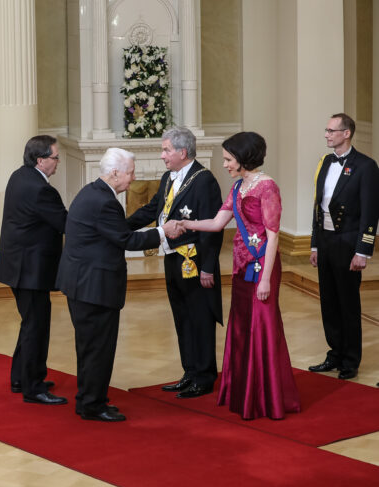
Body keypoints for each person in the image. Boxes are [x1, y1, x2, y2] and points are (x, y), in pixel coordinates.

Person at [56, 148, 183, 422]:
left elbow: (117, 231)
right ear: (115, 173)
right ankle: (92, 405)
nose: (133, 179)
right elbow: (127, 241)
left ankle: (90, 399)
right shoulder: (105, 202)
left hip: (82, 284)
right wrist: (163, 232)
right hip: (94, 288)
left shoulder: (92, 192)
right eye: (130, 173)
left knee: (90, 347)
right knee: (98, 348)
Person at [181, 132, 300, 420]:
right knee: (242, 328)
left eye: (228, 159)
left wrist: (265, 280)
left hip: (262, 268)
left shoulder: (267, 187)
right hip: (239, 268)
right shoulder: (238, 188)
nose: (225, 164)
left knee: (262, 327)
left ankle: (267, 398)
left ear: (244, 159)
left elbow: (272, 238)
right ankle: (245, 391)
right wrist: (185, 223)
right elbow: (218, 222)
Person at [126, 126, 223, 399]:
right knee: (182, 317)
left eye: (166, 150)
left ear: (183, 152)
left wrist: (207, 267)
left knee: (200, 318)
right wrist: (121, 227)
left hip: (196, 262)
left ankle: (204, 377)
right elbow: (152, 209)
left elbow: (213, 228)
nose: (162, 155)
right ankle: (189, 371)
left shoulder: (204, 180)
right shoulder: (170, 176)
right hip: (172, 259)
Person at [0, 135, 68, 405]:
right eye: (55, 157)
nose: (57, 162)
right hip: (31, 270)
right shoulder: (41, 189)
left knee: (30, 323)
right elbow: (65, 222)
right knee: (36, 326)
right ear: (41, 160)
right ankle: (34, 388)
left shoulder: (20, 176)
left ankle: (20, 377)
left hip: (19, 266)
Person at [308, 113, 379, 380]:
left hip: (348, 243)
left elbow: (370, 213)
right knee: (328, 301)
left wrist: (363, 250)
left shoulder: (366, 166)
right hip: (325, 241)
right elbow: (318, 207)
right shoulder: (326, 162)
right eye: (326, 130)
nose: (326, 134)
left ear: (346, 133)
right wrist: (315, 244)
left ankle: (350, 359)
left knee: (348, 303)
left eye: (331, 130)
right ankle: (335, 352)